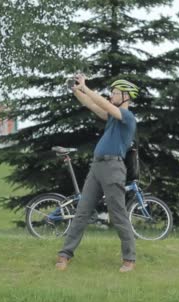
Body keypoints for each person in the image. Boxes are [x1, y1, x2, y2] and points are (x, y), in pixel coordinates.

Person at [56, 75, 139, 273]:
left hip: (113, 168)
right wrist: (76, 91)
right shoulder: (112, 117)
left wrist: (86, 87)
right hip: (97, 167)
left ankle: (129, 259)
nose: (112, 95)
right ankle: (64, 255)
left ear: (127, 97)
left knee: (118, 214)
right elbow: (93, 105)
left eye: (116, 93)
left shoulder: (127, 117)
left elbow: (102, 101)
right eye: (113, 92)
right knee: (82, 212)